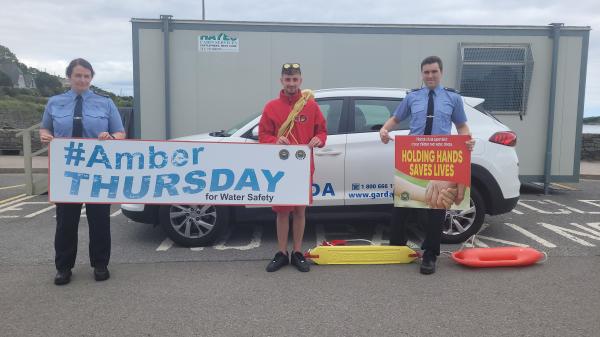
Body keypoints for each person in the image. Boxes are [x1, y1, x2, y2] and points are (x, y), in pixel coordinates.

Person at [379, 56, 475, 275]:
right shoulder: (413, 97)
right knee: (403, 204)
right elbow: (395, 118)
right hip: (414, 156)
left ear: (441, 73)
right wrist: (385, 130)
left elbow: (461, 125)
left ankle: (430, 254)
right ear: (421, 74)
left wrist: (467, 139)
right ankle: (397, 248)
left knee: (436, 207)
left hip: (441, 157)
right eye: (426, 72)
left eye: (434, 72)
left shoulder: (453, 98)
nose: (430, 76)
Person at [39, 58, 126, 285]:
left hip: (98, 170)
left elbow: (120, 133)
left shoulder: (105, 103)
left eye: (87, 76)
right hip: (67, 170)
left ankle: (100, 264)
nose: (83, 80)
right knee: (66, 221)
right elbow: (45, 127)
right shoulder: (55, 102)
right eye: (78, 75)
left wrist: (110, 138)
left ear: (91, 78)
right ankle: (64, 268)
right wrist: (45, 135)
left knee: (99, 220)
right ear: (69, 77)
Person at [259, 62, 327, 272]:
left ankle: (297, 252)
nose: (291, 83)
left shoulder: (311, 106)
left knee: (299, 211)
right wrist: (274, 141)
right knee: (281, 212)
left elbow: (322, 131)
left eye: (295, 79)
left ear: (301, 80)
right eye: (287, 79)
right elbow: (263, 136)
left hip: (303, 166)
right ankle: (281, 253)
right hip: (279, 168)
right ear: (281, 81)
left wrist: (319, 139)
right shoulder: (271, 107)